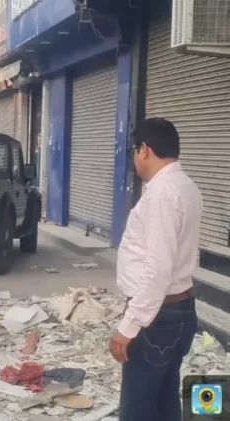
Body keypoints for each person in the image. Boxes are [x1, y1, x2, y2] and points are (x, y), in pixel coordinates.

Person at [112, 118, 201, 421]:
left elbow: (157, 270)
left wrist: (128, 326)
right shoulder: (186, 186)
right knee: (163, 401)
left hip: (157, 318)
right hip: (178, 309)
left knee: (137, 408)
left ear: (145, 150)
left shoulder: (163, 193)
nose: (135, 158)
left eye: (135, 150)